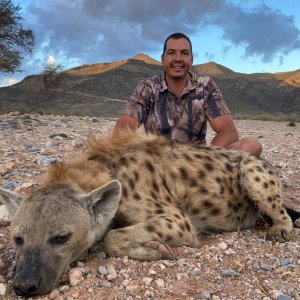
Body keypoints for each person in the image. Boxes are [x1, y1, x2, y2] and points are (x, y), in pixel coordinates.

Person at [113, 32, 262, 157]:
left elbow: (228, 131)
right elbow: (123, 130)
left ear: (191, 59)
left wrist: (205, 158)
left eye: (184, 53)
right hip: (158, 164)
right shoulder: (147, 87)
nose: (178, 58)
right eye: (171, 53)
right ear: (162, 59)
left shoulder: (205, 85)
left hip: (196, 163)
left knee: (251, 145)